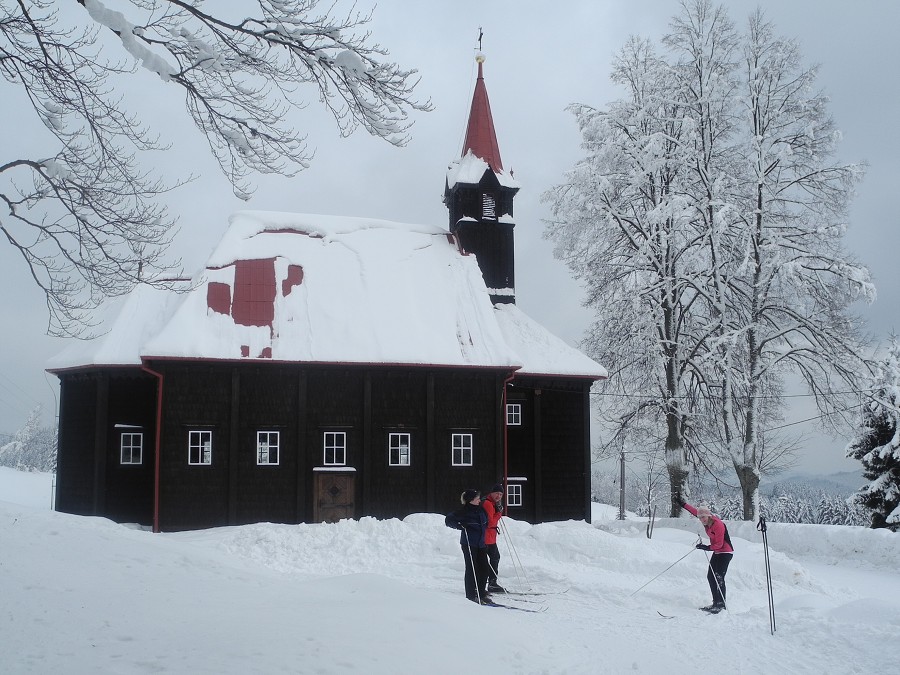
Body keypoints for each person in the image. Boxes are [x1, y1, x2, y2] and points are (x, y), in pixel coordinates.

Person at [677, 495, 734, 614]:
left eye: (704, 517)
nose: (702, 519)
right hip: (717, 551)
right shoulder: (705, 519)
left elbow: (719, 544)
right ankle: (715, 602)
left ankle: (721, 605)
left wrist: (706, 547)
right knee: (710, 576)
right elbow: (695, 511)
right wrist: (682, 504)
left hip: (725, 552)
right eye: (700, 517)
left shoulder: (717, 524)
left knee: (719, 577)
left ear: (708, 515)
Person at [445, 489, 490, 604]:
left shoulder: (481, 510)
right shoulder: (464, 511)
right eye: (477, 498)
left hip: (480, 543)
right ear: (471, 500)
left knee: (484, 568)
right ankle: (470, 595)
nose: (479, 500)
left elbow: (486, 522)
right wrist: (459, 525)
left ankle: (481, 593)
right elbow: (448, 519)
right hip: (469, 543)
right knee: (472, 569)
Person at [482, 483, 506, 593]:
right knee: (493, 559)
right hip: (487, 537)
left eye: (501, 494)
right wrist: (499, 513)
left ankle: (491, 582)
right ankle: (491, 583)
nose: (499, 496)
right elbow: (490, 521)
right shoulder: (488, 504)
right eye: (497, 493)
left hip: (490, 537)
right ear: (492, 493)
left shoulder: (491, 503)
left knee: (494, 558)